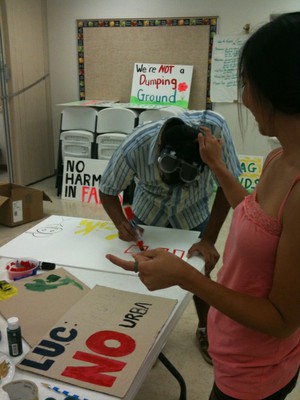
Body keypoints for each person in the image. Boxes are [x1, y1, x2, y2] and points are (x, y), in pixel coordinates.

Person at [105, 12, 300, 400]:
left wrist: (188, 276)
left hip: (256, 372)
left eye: (245, 84)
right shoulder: (278, 158)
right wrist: (219, 168)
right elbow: (258, 217)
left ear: (275, 89)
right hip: (235, 351)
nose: (243, 97)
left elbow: (281, 320)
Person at [99, 110, 242, 365]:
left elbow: (226, 186)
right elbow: (108, 190)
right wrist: (121, 222)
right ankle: (145, 333)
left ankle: (206, 329)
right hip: (149, 214)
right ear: (160, 150)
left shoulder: (216, 130)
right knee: (143, 271)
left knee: (199, 272)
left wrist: (208, 239)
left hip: (193, 210)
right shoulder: (137, 145)